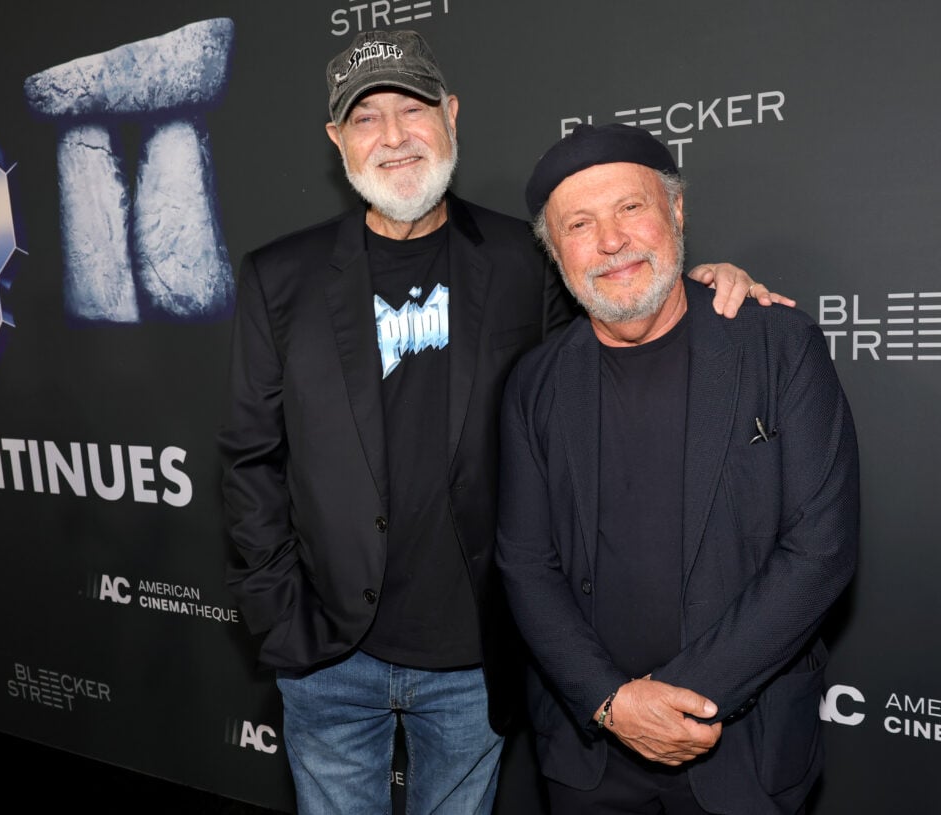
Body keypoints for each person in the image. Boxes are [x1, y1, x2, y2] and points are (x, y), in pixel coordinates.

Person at [219, 30, 786, 815]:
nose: (393, 136)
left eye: (413, 109)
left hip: (477, 661)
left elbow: (619, 311)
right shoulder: (279, 276)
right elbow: (250, 458)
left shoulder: (525, 260)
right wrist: (283, 619)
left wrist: (705, 282)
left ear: (451, 115)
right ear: (336, 139)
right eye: (365, 118)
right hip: (328, 657)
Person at [496, 122, 859, 815]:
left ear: (676, 211)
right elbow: (525, 563)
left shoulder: (778, 344)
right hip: (588, 753)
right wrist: (611, 701)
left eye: (630, 207)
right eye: (579, 224)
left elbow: (821, 549)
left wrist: (674, 703)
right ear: (556, 251)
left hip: (743, 748)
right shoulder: (534, 383)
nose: (611, 241)